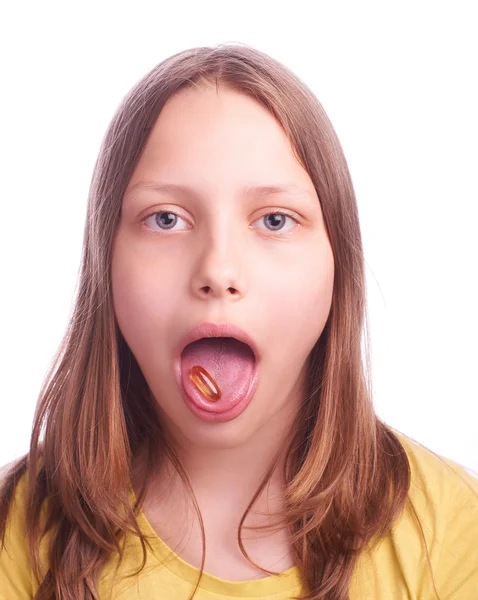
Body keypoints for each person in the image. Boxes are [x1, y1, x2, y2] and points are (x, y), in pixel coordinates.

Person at [0, 43, 477, 600]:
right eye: (166, 218)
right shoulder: (22, 533)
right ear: (104, 264)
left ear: (337, 265)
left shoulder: (449, 532)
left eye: (274, 219)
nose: (218, 271)